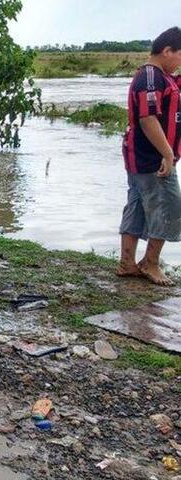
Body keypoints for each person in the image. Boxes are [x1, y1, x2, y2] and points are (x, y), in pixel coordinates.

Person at [117, 27, 181, 286]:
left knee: (137, 207)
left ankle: (127, 263)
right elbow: (147, 118)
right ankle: (150, 263)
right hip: (151, 158)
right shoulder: (151, 78)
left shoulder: (163, 78)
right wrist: (167, 154)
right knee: (170, 208)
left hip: (141, 157)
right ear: (167, 51)